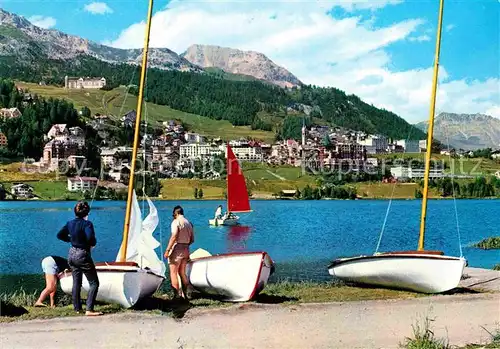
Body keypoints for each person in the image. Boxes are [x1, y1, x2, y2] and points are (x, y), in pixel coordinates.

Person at [57, 201, 102, 316]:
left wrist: (71, 240)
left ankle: (77, 308)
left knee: (76, 282)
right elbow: (90, 238)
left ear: (75, 212)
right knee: (94, 283)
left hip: (71, 254)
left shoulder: (70, 223)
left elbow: (59, 235)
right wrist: (93, 242)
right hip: (82, 255)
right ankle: (89, 309)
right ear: (87, 212)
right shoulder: (87, 224)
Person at [164, 205, 194, 300]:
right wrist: (185, 244)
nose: (173, 216)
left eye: (173, 214)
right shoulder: (188, 223)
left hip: (177, 248)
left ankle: (176, 296)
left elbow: (174, 236)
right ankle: (187, 294)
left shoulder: (176, 222)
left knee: (173, 273)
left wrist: (168, 250)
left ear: (176, 213)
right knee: (182, 272)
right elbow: (192, 239)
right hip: (186, 249)